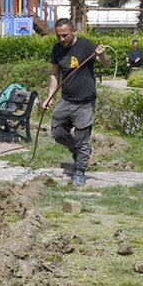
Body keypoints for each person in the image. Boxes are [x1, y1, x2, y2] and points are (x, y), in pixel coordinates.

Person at [43, 18, 110, 187]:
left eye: (65, 35)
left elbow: (107, 64)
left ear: (73, 31)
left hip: (85, 102)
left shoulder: (87, 46)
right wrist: (49, 96)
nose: (61, 39)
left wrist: (102, 55)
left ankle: (80, 171)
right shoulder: (57, 49)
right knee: (57, 131)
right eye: (58, 36)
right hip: (66, 100)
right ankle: (76, 150)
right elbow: (54, 74)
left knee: (83, 139)